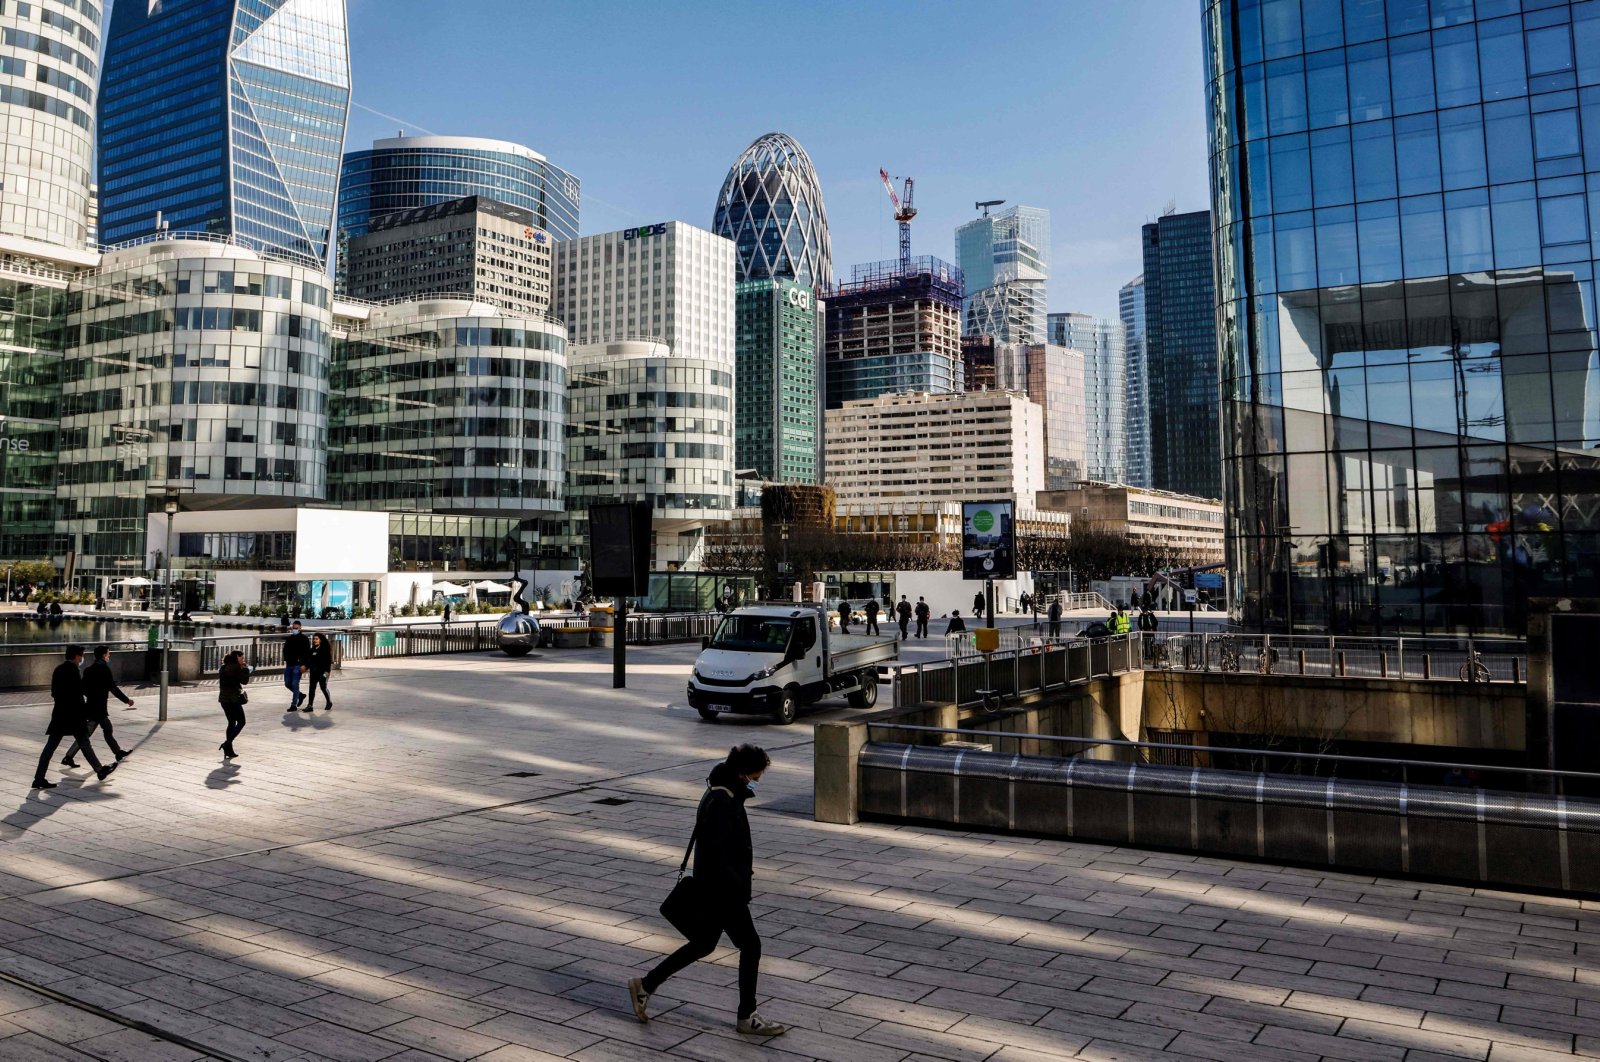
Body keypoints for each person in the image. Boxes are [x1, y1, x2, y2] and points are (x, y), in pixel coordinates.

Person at [628, 744, 787, 1038]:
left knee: (703, 944)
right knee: (751, 946)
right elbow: (718, 852)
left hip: (715, 888)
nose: (757, 781)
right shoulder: (724, 802)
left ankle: (645, 985)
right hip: (723, 891)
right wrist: (737, 886)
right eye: (755, 776)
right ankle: (746, 1016)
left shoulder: (719, 792)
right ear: (742, 774)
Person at [32, 646, 115, 789]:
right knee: (84, 742)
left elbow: (54, 693)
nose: (82, 659)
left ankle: (39, 778)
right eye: (81, 656)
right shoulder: (74, 671)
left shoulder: (58, 669)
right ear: (77, 657)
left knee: (50, 747)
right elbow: (78, 694)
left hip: (59, 714)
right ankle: (100, 770)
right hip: (74, 715)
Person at [62, 645, 132, 767]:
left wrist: (92, 695)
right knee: (89, 734)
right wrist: (127, 700)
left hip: (92, 705)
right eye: (108, 653)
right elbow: (113, 688)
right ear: (104, 655)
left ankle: (117, 752)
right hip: (98, 708)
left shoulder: (89, 670)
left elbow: (82, 689)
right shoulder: (104, 669)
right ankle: (68, 757)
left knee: (103, 730)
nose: (109, 655)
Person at [218, 649, 251, 759]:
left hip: (224, 700)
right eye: (241, 657)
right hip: (233, 700)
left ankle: (229, 749)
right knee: (241, 722)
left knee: (231, 722)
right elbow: (244, 681)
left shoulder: (223, 667)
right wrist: (246, 669)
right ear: (237, 657)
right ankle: (227, 743)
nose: (243, 660)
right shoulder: (236, 667)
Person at [282, 620, 310, 711]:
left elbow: (307, 654)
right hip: (289, 664)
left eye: (296, 628)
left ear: (300, 628)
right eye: (293, 628)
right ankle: (300, 695)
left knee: (295, 684)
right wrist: (286, 659)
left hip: (298, 665)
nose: (295, 630)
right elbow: (285, 650)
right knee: (287, 683)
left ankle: (293, 704)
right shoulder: (289, 639)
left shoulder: (304, 639)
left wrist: (305, 665)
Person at [303, 633, 333, 712]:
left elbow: (328, 661)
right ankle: (310, 705)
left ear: (320, 640)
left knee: (323, 687)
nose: (315, 640)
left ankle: (329, 702)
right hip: (313, 672)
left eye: (316, 639)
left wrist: (327, 671)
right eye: (314, 639)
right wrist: (305, 667)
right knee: (311, 689)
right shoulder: (312, 649)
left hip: (322, 672)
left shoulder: (325, 649)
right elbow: (309, 661)